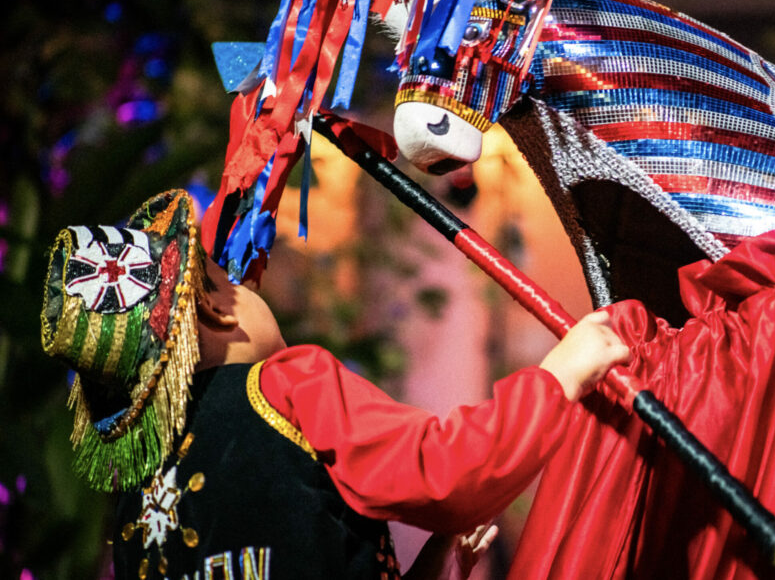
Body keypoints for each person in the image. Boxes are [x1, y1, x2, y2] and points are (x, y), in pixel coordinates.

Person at [39, 188, 631, 579]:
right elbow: (445, 470)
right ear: (219, 310)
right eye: (228, 276)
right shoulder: (286, 387)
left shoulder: (134, 505)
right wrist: (559, 376)